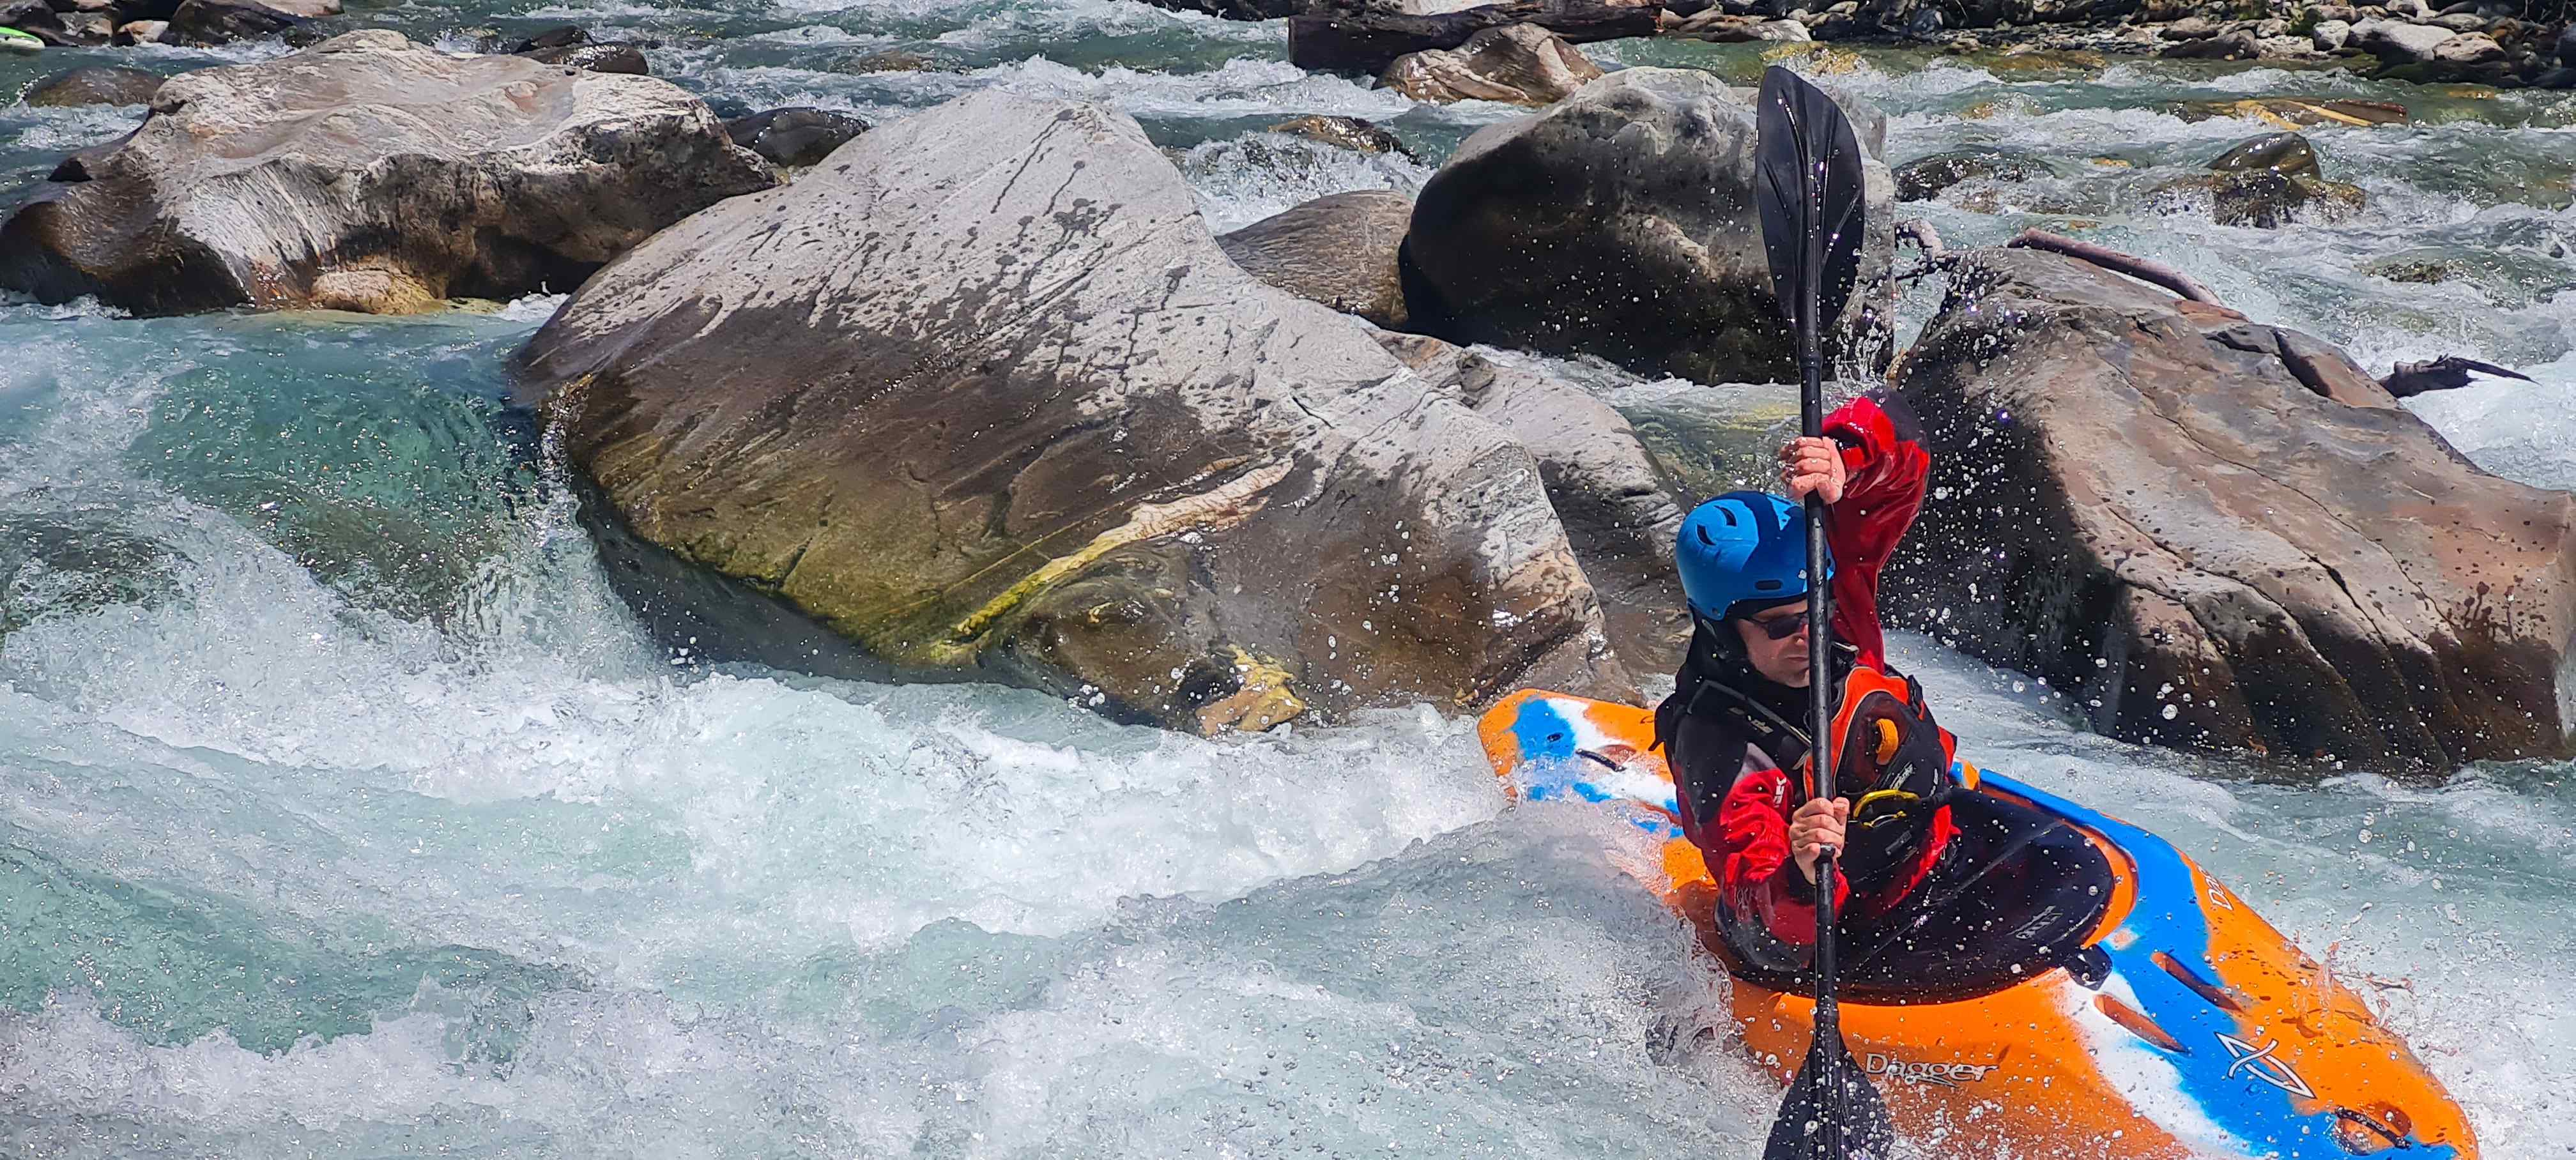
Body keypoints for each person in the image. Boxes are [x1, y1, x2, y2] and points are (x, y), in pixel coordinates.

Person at [1653, 392, 2110, 1002]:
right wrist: (1800, 869)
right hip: (1862, 939)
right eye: (1781, 626)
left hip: (1939, 850)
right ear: (1721, 632)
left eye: (1814, 611)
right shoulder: (1726, 747)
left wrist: (1844, 455)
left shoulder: (1833, 610)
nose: (1810, 636)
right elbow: (1767, 927)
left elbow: (1904, 430)